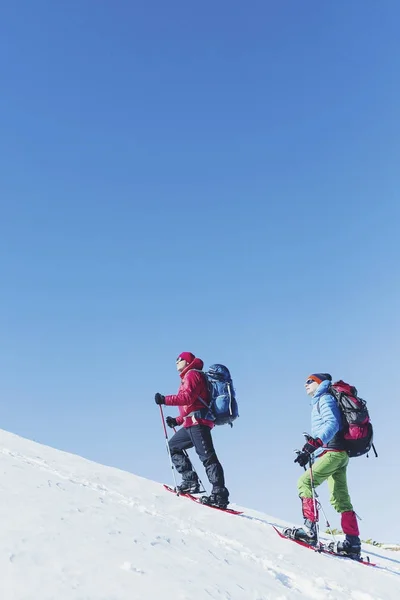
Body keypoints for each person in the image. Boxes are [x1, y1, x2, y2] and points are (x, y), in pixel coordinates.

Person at [289, 373, 361, 556]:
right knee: (340, 497)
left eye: (310, 381)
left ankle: (309, 530)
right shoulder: (324, 399)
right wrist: (311, 446)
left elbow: (332, 424)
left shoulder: (324, 398)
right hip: (340, 453)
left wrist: (313, 445)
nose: (305, 384)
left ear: (319, 383)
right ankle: (352, 542)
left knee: (304, 483)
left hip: (333, 452)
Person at [154, 352, 230, 509]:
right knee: (173, 447)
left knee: (207, 457)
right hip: (191, 422)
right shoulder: (188, 376)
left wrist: (164, 399)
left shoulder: (193, 374)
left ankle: (219, 494)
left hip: (198, 423)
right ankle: (190, 481)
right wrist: (177, 420)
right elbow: (191, 405)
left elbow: (187, 398)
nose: (176, 362)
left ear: (186, 360)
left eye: (179, 359)